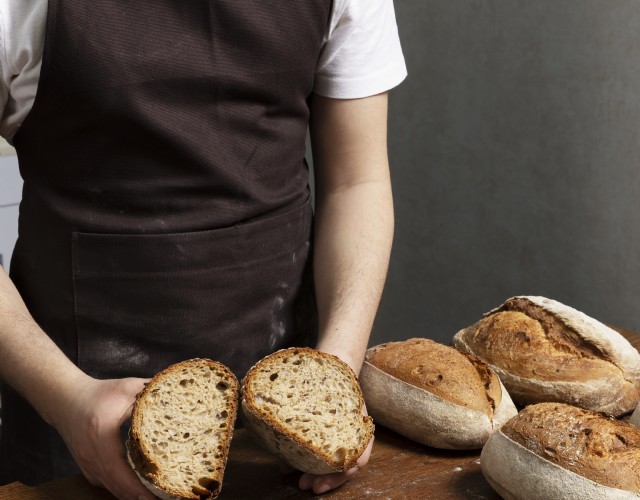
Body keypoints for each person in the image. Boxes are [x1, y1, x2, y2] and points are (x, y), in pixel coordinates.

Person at [0, 0, 406, 498]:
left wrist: (332, 379)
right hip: (77, 412)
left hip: (287, 424)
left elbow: (356, 181)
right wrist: (67, 402)